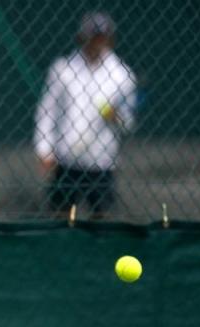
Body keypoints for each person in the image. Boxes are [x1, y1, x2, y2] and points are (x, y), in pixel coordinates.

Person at [34, 11, 137, 219]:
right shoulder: (63, 69)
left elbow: (128, 122)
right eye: (93, 37)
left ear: (109, 39)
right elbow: (47, 110)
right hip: (67, 159)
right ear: (82, 37)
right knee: (60, 216)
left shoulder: (122, 76)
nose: (97, 43)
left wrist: (116, 116)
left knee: (102, 218)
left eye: (102, 37)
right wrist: (44, 149)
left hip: (101, 161)